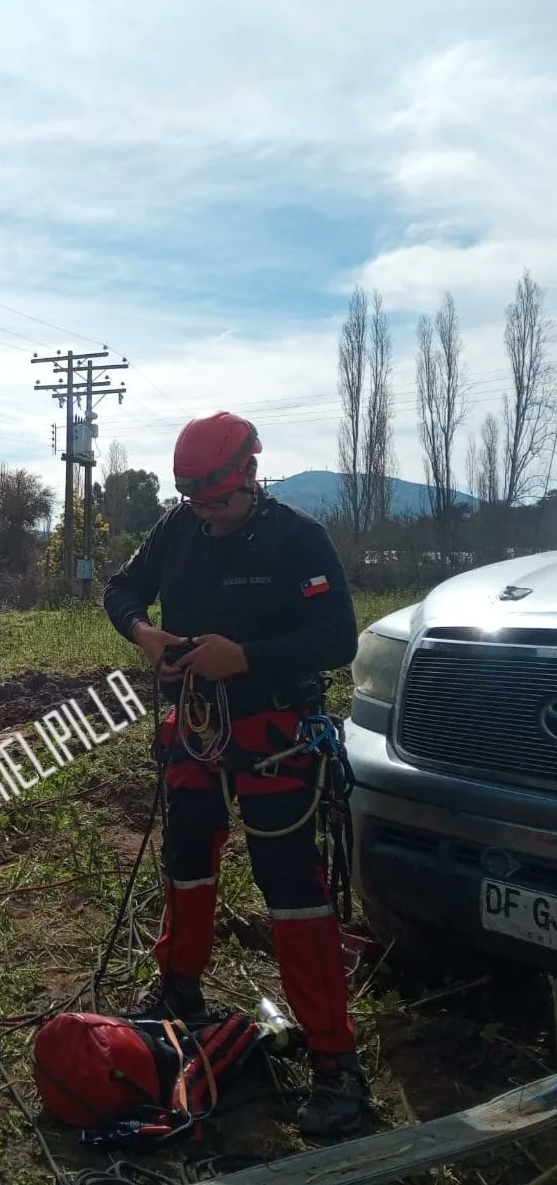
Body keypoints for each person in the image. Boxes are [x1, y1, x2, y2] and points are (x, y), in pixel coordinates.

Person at [102, 411, 370, 1137]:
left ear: (252, 473)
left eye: (217, 501)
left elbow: (336, 638)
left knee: (289, 883)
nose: (207, 516)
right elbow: (121, 591)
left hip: (274, 729)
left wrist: (245, 657)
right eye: (196, 502)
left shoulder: (297, 539)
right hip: (195, 725)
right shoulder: (177, 529)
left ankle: (333, 1059)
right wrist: (145, 632)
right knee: (186, 859)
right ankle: (179, 990)